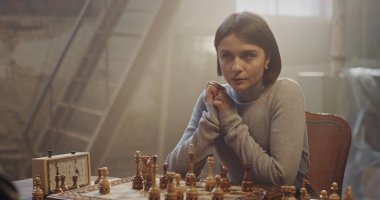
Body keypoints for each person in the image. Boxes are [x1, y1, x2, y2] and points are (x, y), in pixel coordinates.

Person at [166, 11, 309, 188]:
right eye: (226, 56)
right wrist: (210, 121)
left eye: (248, 55)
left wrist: (229, 118)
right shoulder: (212, 98)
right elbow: (174, 171)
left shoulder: (286, 92)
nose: (236, 67)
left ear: (268, 58)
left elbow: (280, 178)